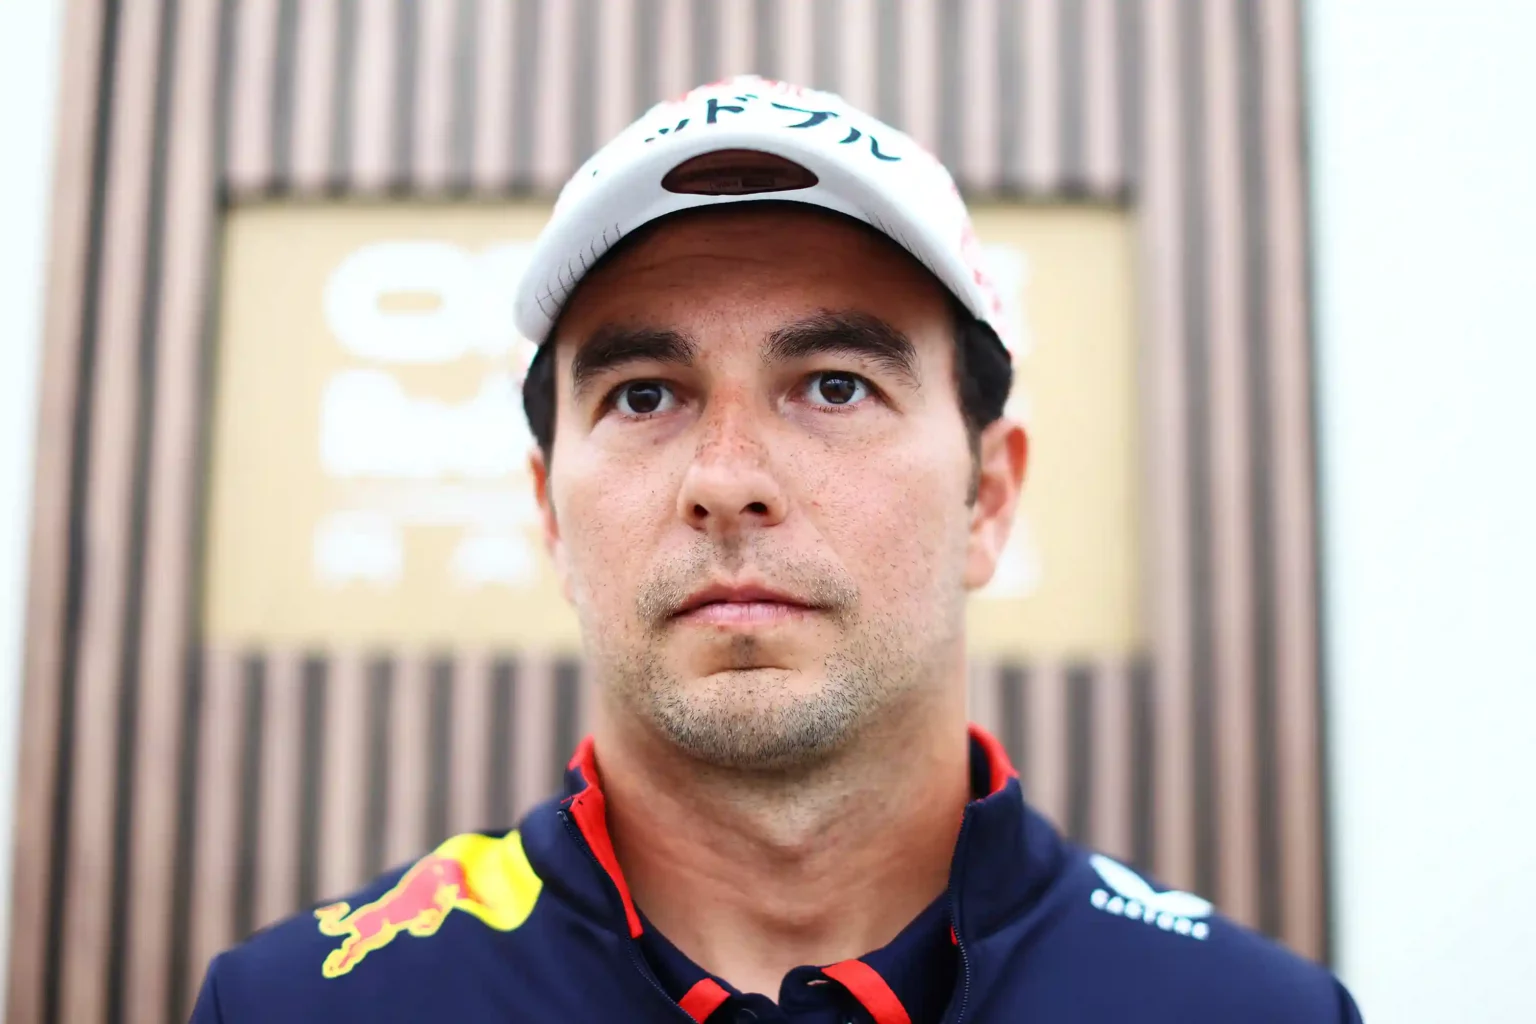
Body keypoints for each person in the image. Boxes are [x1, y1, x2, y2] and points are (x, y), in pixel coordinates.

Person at [190, 76, 1362, 1024]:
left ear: (988, 497)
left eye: (835, 385)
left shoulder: (1250, 1012)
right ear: (551, 515)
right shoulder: (302, 1007)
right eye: (645, 394)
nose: (728, 479)